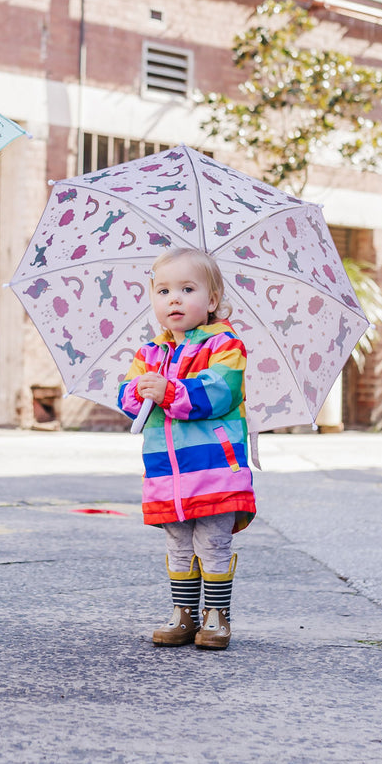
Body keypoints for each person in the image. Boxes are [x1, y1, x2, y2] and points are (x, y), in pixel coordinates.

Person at [118, 246, 256, 650]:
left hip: (213, 469)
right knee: (178, 544)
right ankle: (183, 614)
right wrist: (139, 392)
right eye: (163, 291)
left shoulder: (225, 346)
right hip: (166, 472)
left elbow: (219, 391)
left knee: (213, 543)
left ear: (212, 300)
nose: (173, 299)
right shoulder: (150, 353)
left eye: (187, 289)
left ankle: (216, 616)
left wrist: (170, 391)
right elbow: (127, 396)